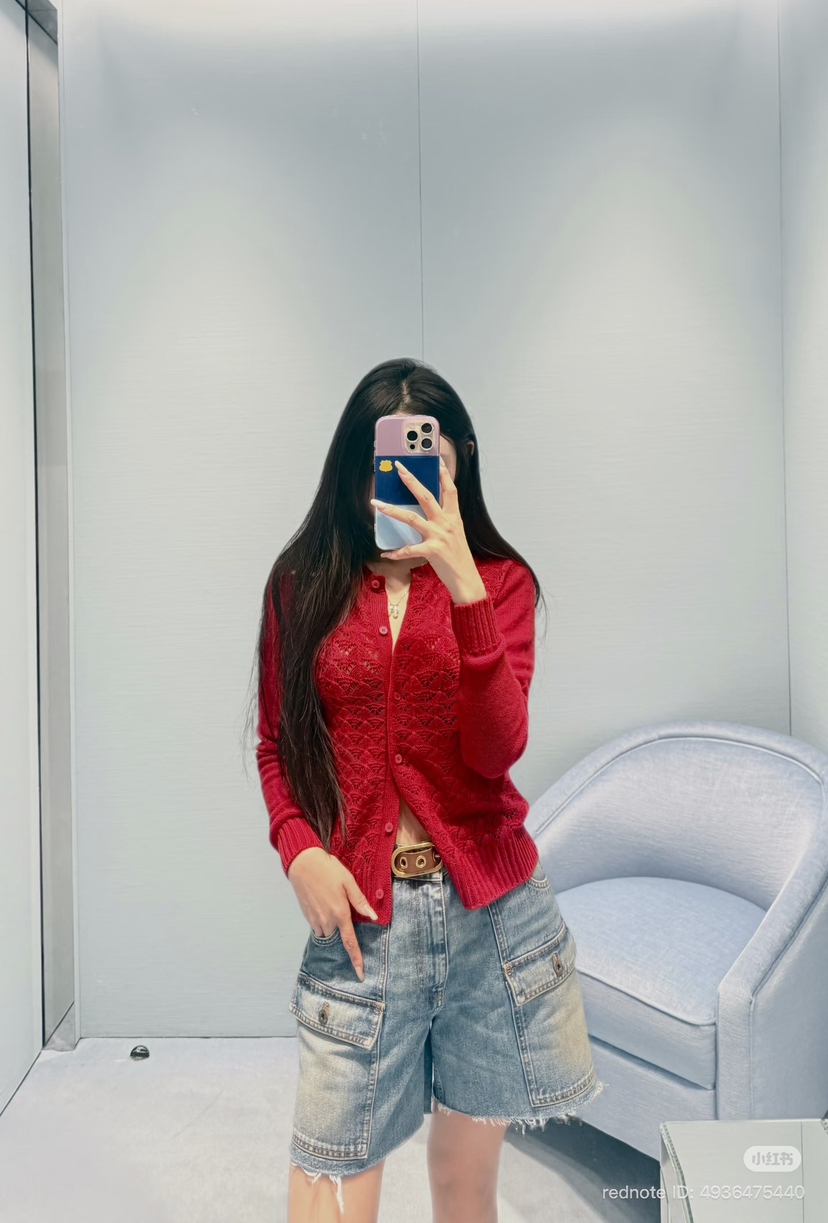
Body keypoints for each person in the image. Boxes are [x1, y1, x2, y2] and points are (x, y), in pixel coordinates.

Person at [250, 358, 604, 1222]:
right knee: (330, 1182)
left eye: (427, 467)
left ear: (460, 464)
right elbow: (276, 745)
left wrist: (465, 587)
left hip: (495, 925)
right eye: (390, 467)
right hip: (364, 925)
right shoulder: (301, 584)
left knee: (464, 1184)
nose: (408, 487)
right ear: (354, 468)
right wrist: (299, 850)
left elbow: (496, 751)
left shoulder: (500, 583)